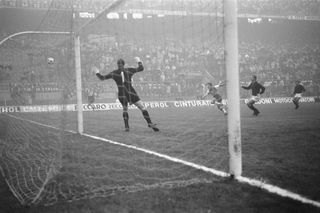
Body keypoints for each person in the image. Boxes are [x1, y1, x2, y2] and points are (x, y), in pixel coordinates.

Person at [94, 57, 159, 132]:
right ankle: (149, 123)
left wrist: (97, 72)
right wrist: (139, 61)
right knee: (142, 107)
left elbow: (102, 78)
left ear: (117, 65)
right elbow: (141, 68)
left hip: (122, 94)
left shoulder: (114, 73)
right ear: (124, 64)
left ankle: (127, 127)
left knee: (125, 109)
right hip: (131, 92)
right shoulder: (129, 70)